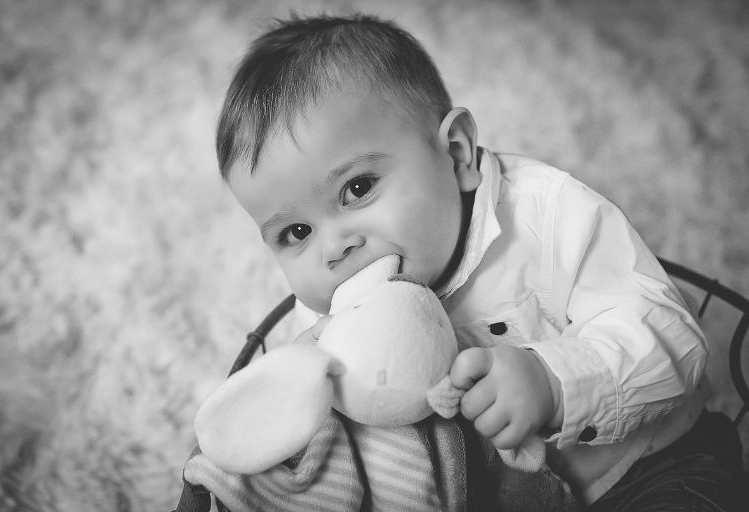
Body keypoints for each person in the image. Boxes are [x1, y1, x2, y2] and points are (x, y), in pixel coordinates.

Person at [210, 13, 740, 511]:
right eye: (296, 232)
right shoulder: (334, 316)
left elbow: (675, 338)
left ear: (458, 153)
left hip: (649, 466)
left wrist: (553, 384)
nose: (334, 248)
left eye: (358, 187)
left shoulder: (549, 215)